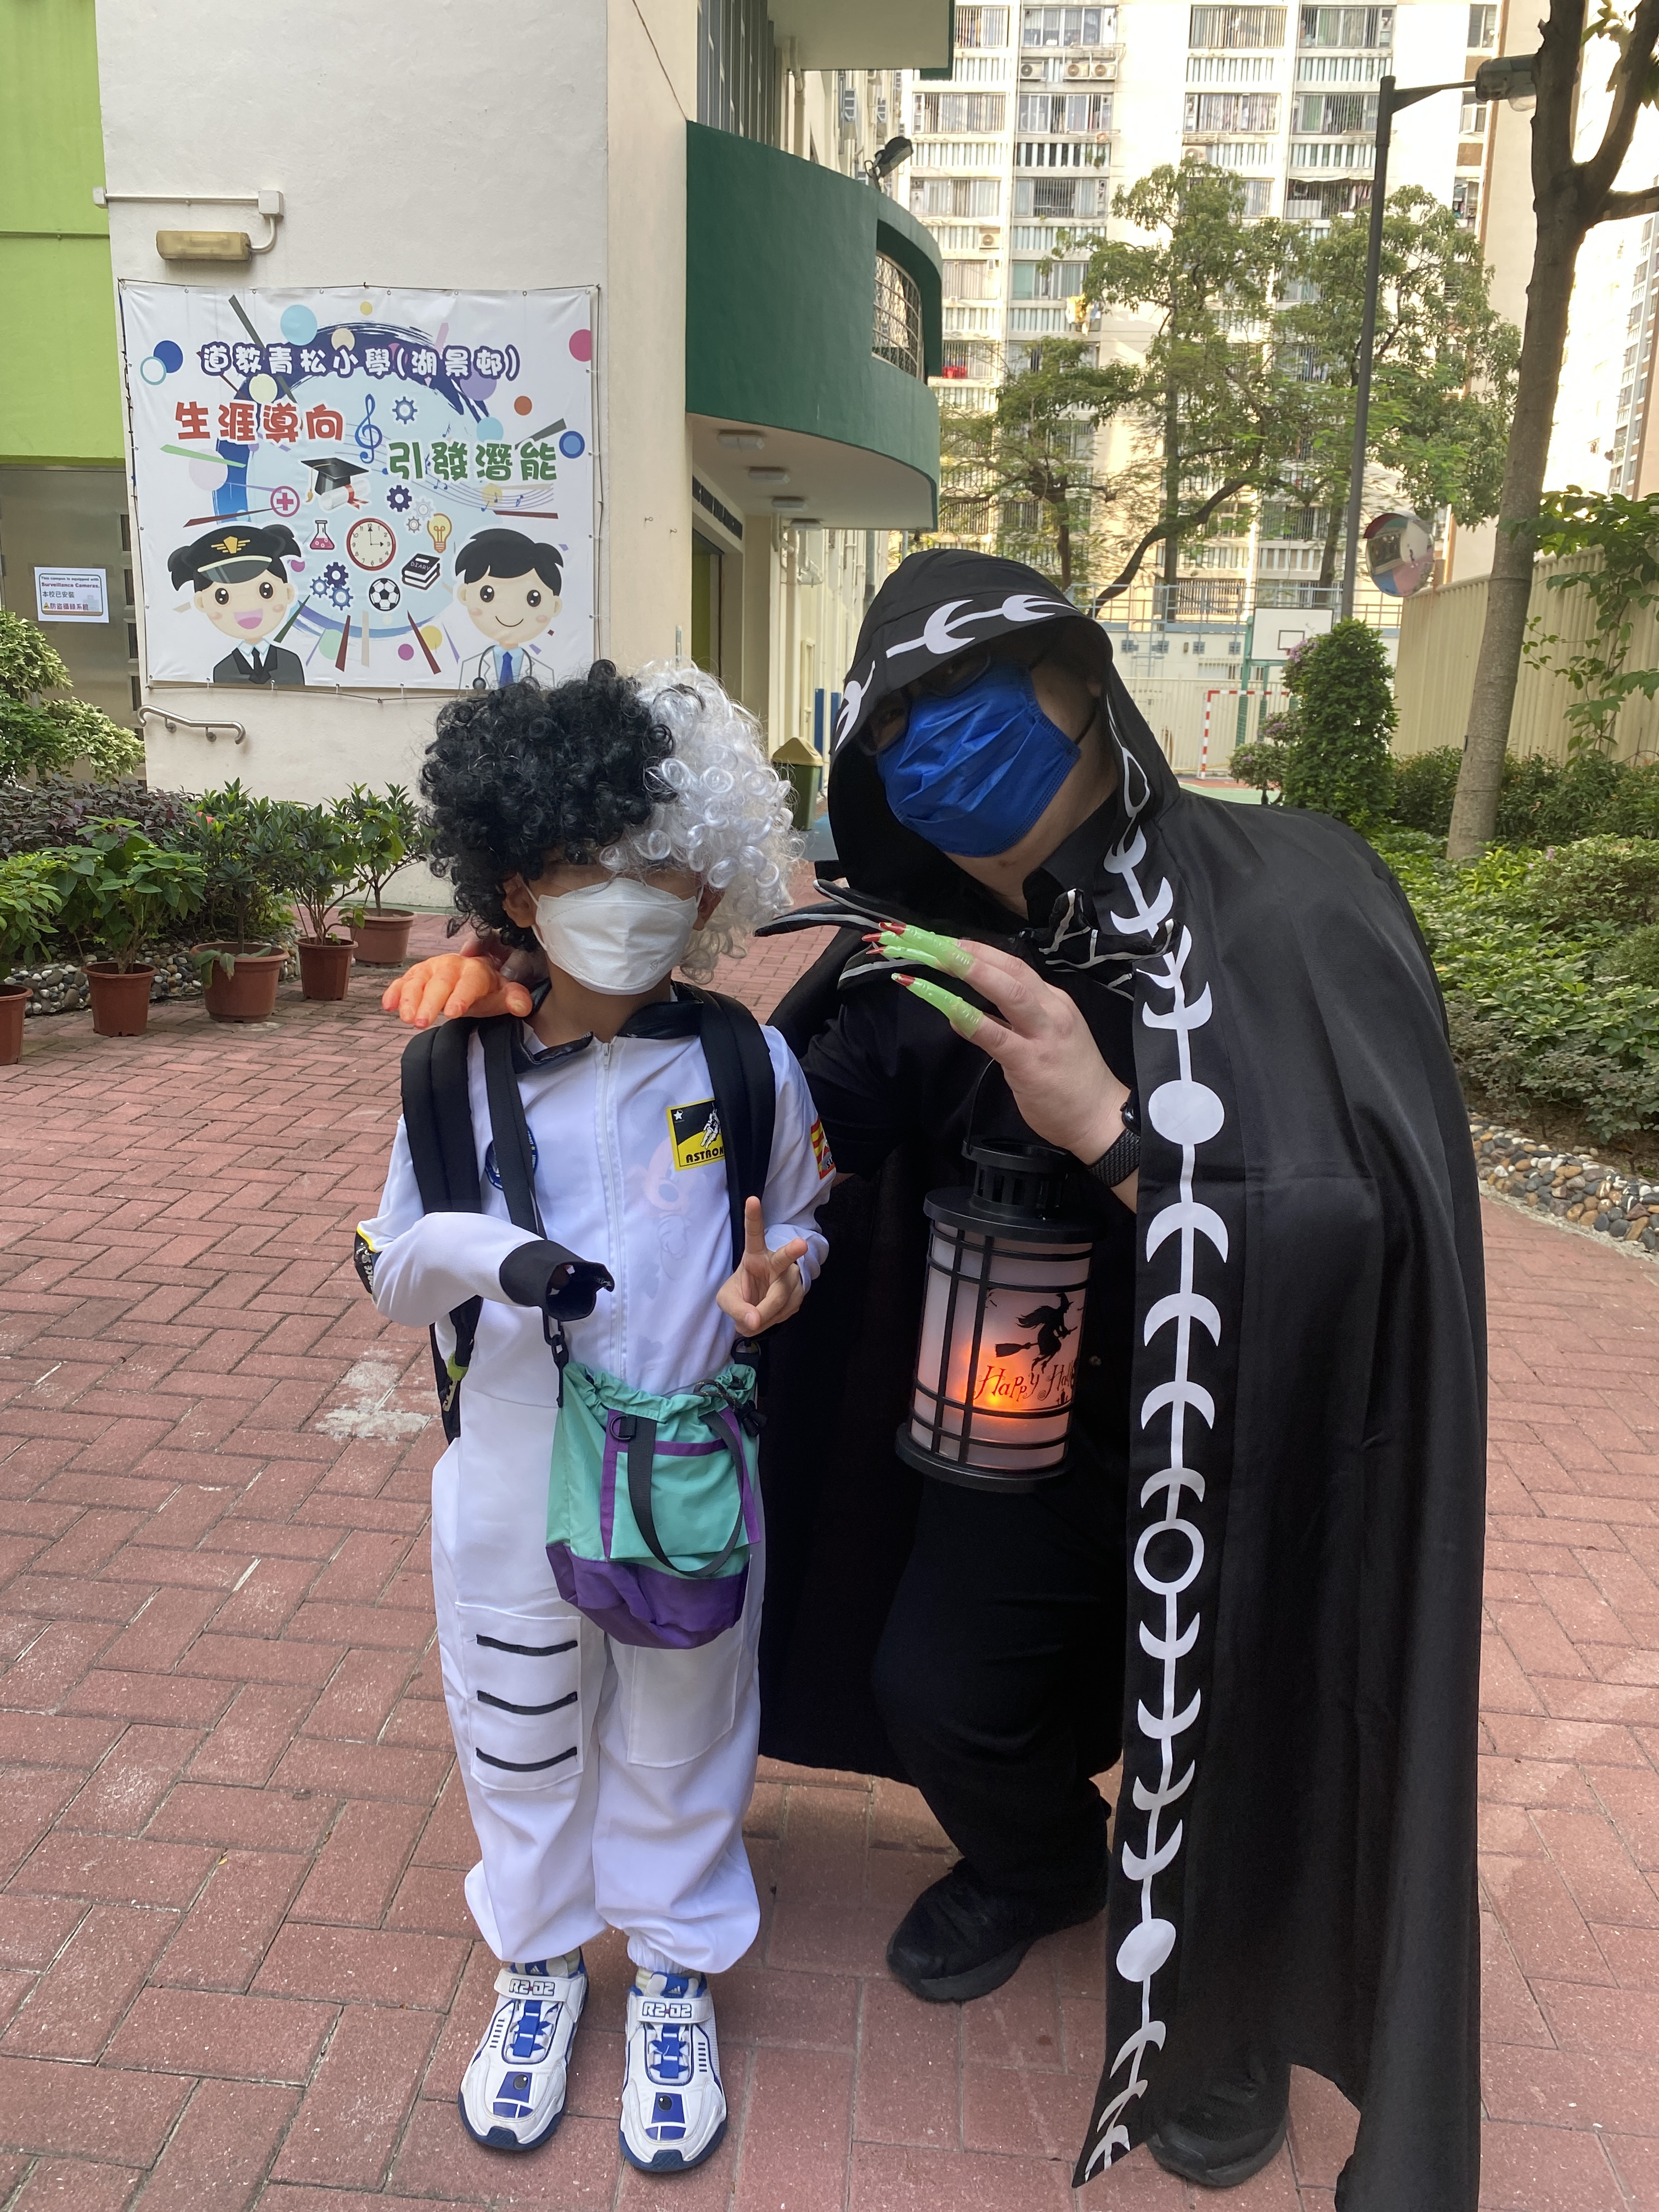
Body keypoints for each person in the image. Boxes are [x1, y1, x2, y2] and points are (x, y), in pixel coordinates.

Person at [381, 556, 1487, 2210]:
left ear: (1083, 681)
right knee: (940, 1689)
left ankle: (1229, 2019)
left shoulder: (1295, 895)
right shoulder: (926, 948)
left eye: (974, 695)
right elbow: (774, 1139)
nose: (942, 749)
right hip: (1014, 1421)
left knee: (1241, 1704)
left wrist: (1110, 1129)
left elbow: (1363, 1220)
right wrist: (549, 1001)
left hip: (1255, 1429)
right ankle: (1044, 1865)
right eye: (899, 727)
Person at [354, 664, 833, 2175]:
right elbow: (386, 1266)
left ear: (711, 886)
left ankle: (677, 1967)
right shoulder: (452, 1072)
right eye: (586, 866)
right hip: (511, 1474)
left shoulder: (750, 1062)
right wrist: (490, 1254)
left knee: (687, 1727)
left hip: (689, 1467)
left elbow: (802, 1217)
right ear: (519, 883)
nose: (629, 898)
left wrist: (784, 1276)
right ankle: (545, 1962)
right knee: (517, 1731)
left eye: (661, 867)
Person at [166, 523, 306, 685]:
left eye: (266, 591)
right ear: (201, 603)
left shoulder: (291, 663)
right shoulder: (222, 670)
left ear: (288, 592)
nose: (247, 608)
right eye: (222, 597)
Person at [452, 527, 564, 689]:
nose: (510, 611)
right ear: (464, 595)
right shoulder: (471, 669)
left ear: (555, 606)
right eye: (487, 594)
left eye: (533, 599)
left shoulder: (544, 674)